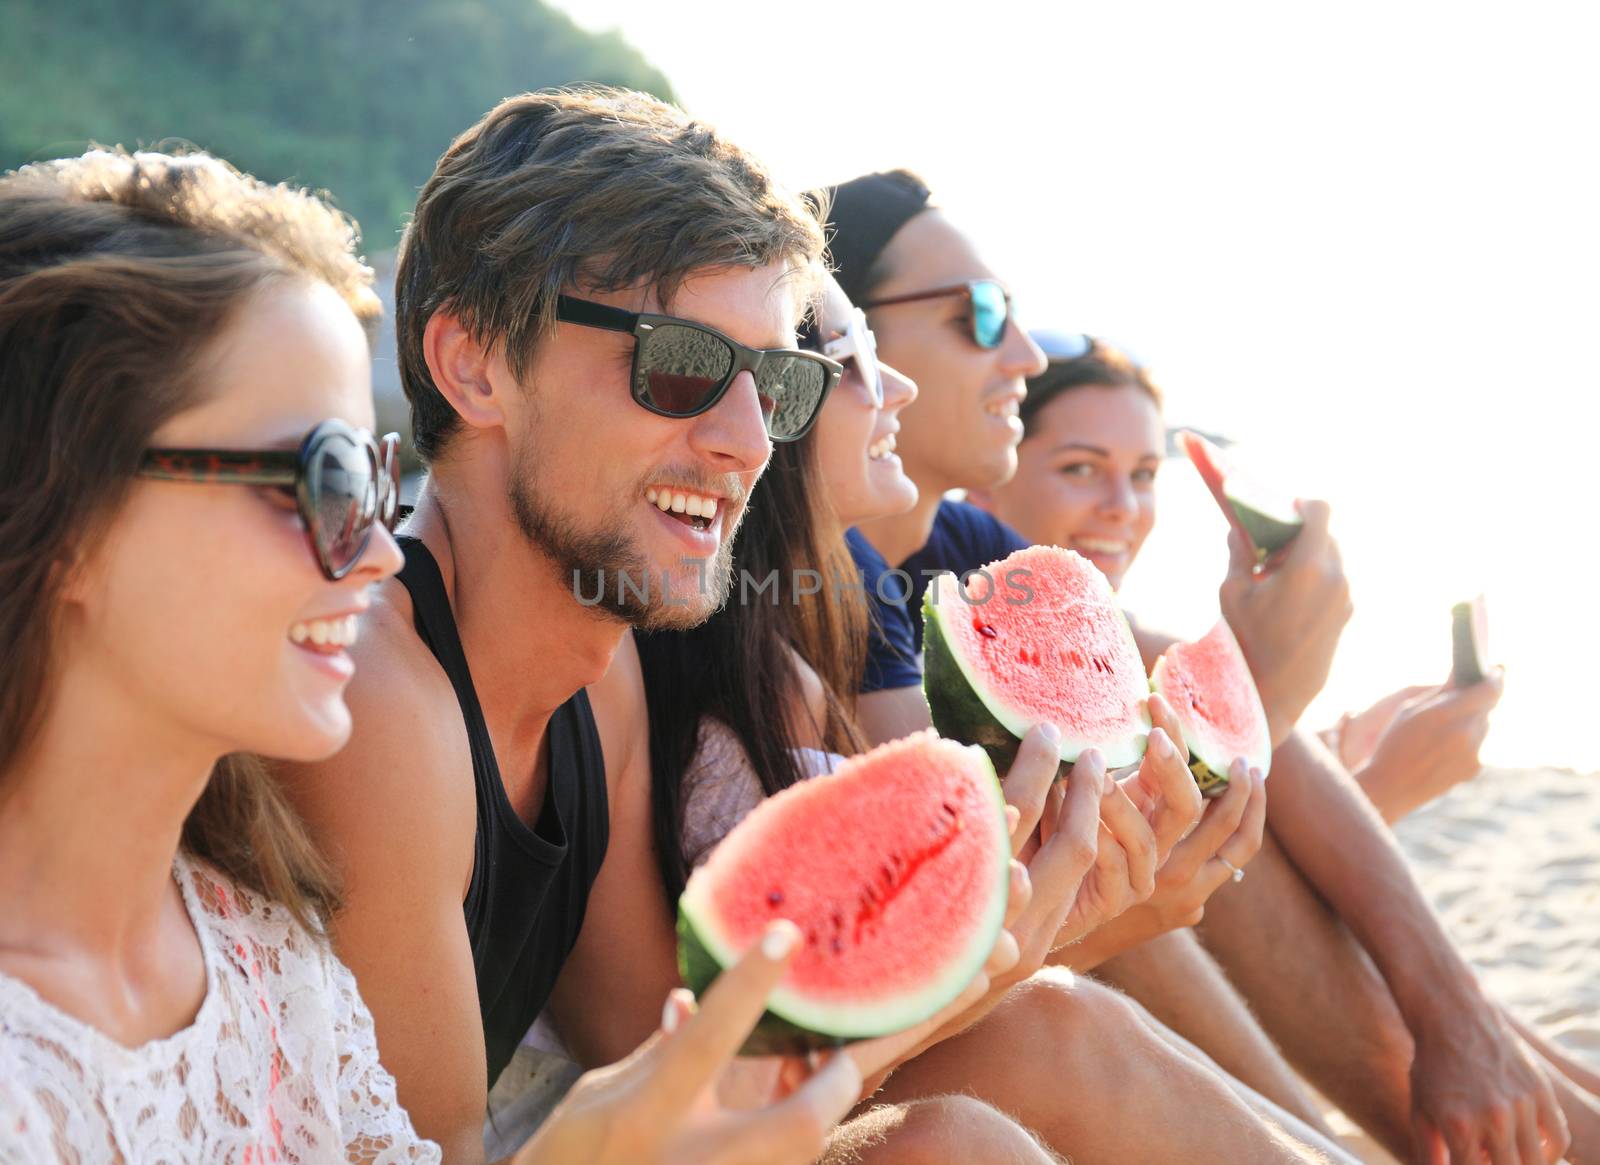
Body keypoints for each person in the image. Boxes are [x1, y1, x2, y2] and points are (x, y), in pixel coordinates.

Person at [0, 144, 932, 1165]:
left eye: (366, 473)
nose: (372, 550)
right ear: (67, 510)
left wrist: (973, 945)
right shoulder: (374, 724)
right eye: (316, 477)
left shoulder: (260, 970)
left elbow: (662, 1062)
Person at [273, 88, 1049, 1164]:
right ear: (475, 363)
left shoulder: (600, 677)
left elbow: (657, 1058)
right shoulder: (380, 695)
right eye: (679, 364)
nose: (744, 441)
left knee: (959, 1129)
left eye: (779, 382)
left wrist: (977, 935)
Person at [827, 167, 1584, 1164]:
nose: (1018, 350)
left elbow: (1147, 704)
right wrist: (1276, 705)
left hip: (991, 985)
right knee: (1118, 843)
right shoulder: (817, 578)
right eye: (978, 312)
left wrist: (1456, 1012)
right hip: (896, 1041)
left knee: (1159, 749)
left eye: (1145, 476)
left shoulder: (959, 540)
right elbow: (973, 914)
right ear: (838, 335)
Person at [587, 273, 1359, 1163]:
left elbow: (895, 967)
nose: (896, 389)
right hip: (706, 1124)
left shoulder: (795, 652)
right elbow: (666, 1070)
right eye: (848, 361)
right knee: (1034, 1046)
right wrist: (1093, 923)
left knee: (1060, 1014)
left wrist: (1092, 916)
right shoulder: (663, 672)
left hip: (807, 1086)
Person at [975, 334, 1506, 824]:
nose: (1123, 508)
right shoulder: (956, 667)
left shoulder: (1123, 654)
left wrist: (1343, 745)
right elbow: (1146, 892)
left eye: (1143, 474)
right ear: (984, 477)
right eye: (1081, 469)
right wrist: (1383, 788)